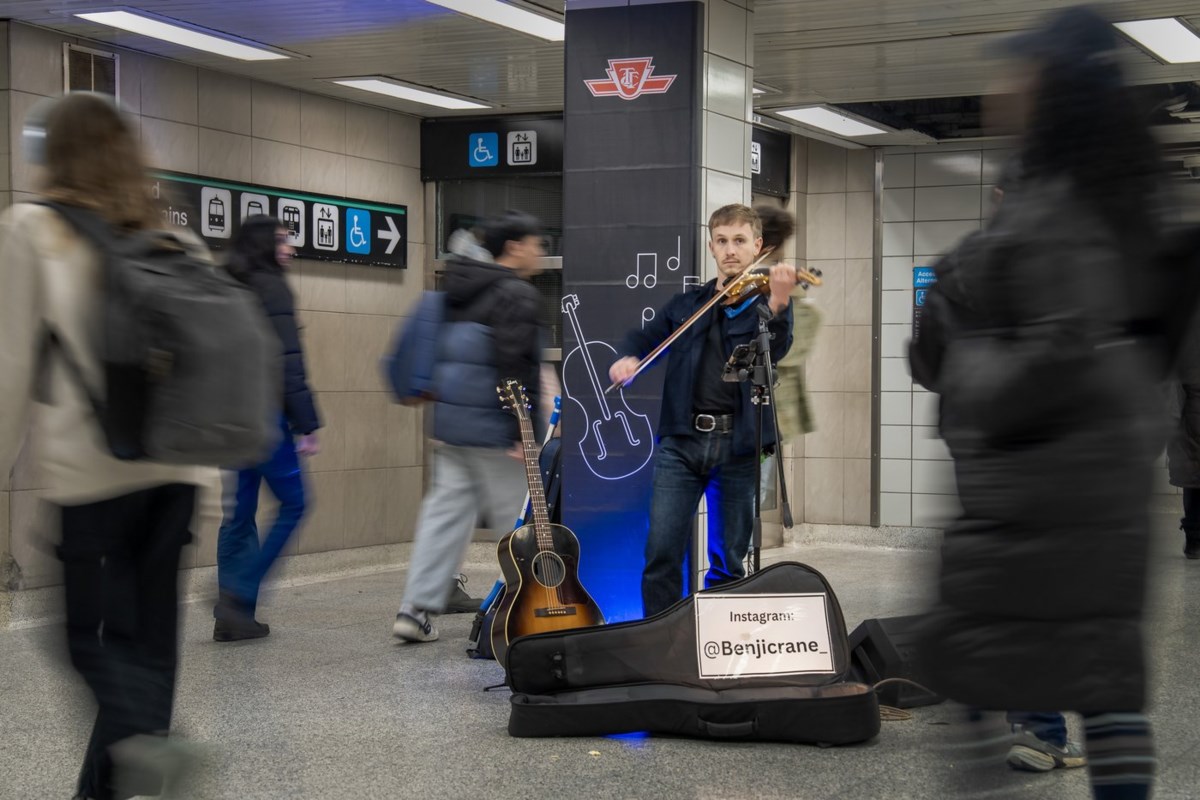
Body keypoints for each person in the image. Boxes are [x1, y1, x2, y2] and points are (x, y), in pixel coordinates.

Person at [908, 7, 1167, 798]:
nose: (1002, 84)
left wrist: (968, 374)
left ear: (1051, 86)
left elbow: (1057, 346)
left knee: (986, 675)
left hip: (1040, 499)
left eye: (1018, 69)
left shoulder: (1055, 211)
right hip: (1090, 494)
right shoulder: (1116, 205)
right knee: (1100, 679)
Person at [0, 92, 204, 800]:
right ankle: (121, 774)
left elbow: (10, 370)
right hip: (178, 473)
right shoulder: (171, 237)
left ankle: (158, 744)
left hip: (90, 474)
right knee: (149, 650)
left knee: (87, 642)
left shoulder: (31, 228)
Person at [609, 203, 798, 617]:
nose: (730, 250)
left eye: (740, 241)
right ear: (711, 246)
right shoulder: (688, 303)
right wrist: (629, 359)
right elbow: (645, 338)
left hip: (739, 446)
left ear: (758, 246)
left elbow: (776, 352)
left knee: (729, 560)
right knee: (661, 550)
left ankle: (718, 636)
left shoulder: (766, 303)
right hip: (682, 444)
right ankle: (660, 636)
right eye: (722, 241)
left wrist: (781, 302)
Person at [393, 210, 546, 643]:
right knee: (517, 523)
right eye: (536, 244)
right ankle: (534, 616)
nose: (539, 252)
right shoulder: (516, 293)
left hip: (452, 424)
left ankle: (414, 609)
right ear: (515, 247)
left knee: (443, 516)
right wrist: (522, 430)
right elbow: (514, 365)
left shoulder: (458, 289)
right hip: (494, 429)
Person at [213, 216, 321, 642]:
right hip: (265, 417)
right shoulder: (273, 287)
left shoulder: (225, 284)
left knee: (238, 516)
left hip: (228, 417)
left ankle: (233, 620)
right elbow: (287, 361)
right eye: (281, 241)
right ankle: (237, 594)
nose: (289, 249)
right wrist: (306, 422)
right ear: (262, 245)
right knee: (295, 504)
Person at [755, 205, 821, 441]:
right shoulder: (742, 282)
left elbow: (789, 351)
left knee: (758, 472)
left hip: (768, 400)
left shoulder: (786, 290)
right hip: (755, 405)